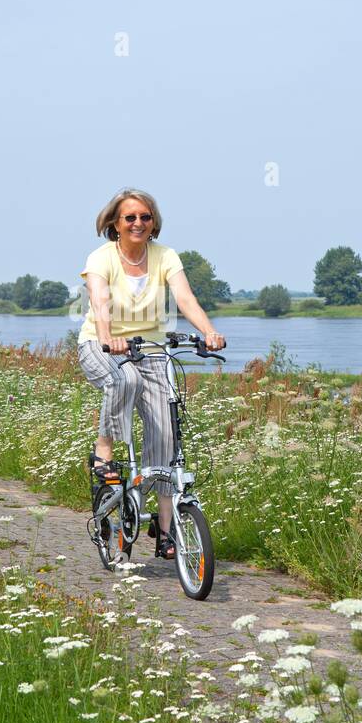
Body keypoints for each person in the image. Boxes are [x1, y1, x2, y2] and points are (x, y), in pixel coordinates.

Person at [77, 187, 226, 559]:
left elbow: (185, 298)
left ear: (153, 222)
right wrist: (110, 339)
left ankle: (164, 532)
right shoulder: (101, 258)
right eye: (130, 217)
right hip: (101, 345)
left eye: (145, 217)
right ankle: (103, 454)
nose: (138, 223)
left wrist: (208, 331)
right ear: (115, 223)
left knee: (166, 439)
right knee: (122, 379)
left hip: (153, 350)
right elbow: (100, 301)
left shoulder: (165, 257)